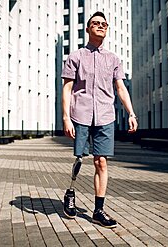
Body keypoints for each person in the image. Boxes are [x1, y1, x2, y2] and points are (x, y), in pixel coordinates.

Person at [61, 11, 138, 228]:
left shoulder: (113, 59)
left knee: (101, 161)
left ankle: (98, 210)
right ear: (88, 29)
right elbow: (67, 88)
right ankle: (70, 192)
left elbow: (121, 88)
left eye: (104, 24)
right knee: (80, 158)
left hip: (105, 115)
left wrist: (131, 113)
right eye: (95, 23)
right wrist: (66, 117)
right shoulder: (75, 57)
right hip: (81, 114)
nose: (100, 26)